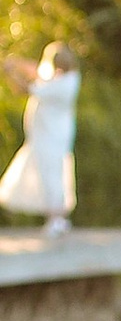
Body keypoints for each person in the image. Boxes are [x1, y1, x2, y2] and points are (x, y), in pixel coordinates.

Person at [0, 43, 79, 235]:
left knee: (51, 174)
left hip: (51, 136)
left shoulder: (63, 84)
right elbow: (37, 71)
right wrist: (16, 63)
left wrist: (11, 72)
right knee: (51, 173)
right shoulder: (62, 78)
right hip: (48, 135)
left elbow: (27, 87)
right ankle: (57, 217)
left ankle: (56, 218)